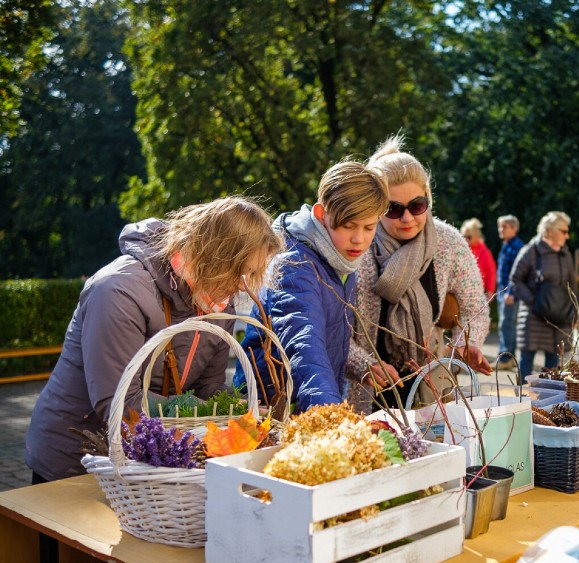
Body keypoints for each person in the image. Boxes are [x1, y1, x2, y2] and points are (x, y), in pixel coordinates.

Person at [26, 196, 282, 483]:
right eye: (241, 272)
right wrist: (214, 414)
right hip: (77, 459)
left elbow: (208, 387)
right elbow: (120, 403)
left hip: (146, 463)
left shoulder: (217, 302)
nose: (242, 285)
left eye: (251, 274)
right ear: (215, 256)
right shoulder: (118, 291)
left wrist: (241, 411)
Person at [345, 135, 492, 411]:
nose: (407, 218)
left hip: (430, 387)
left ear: (428, 198)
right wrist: (364, 366)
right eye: (393, 209)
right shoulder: (357, 245)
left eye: (417, 205)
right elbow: (336, 331)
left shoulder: (448, 242)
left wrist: (463, 345)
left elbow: (475, 308)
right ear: (375, 206)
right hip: (366, 392)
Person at [233, 160, 389, 412]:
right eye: (348, 226)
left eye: (369, 227)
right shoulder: (294, 265)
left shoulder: (341, 259)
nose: (359, 238)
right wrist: (330, 414)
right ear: (320, 214)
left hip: (307, 401)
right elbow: (306, 346)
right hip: (270, 409)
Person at [510, 211, 577, 381]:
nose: (567, 236)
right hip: (533, 318)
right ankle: (521, 403)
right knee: (526, 366)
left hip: (558, 319)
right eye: (564, 231)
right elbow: (515, 279)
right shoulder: (531, 251)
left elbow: (572, 286)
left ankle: (547, 405)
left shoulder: (565, 254)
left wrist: (576, 313)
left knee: (553, 370)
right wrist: (534, 301)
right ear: (549, 230)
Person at [496, 214, 524, 368]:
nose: (501, 229)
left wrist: (511, 292)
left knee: (507, 324)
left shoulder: (516, 246)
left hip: (509, 293)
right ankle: (506, 357)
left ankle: (507, 359)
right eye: (500, 226)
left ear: (514, 228)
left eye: (504, 226)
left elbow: (517, 273)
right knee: (505, 324)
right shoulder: (506, 244)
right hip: (502, 291)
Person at [460, 217, 497, 296]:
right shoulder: (461, 250)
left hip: (479, 292)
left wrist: (490, 290)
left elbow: (491, 272)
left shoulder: (485, 252)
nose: (466, 239)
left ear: (476, 236)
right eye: (464, 236)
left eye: (469, 237)